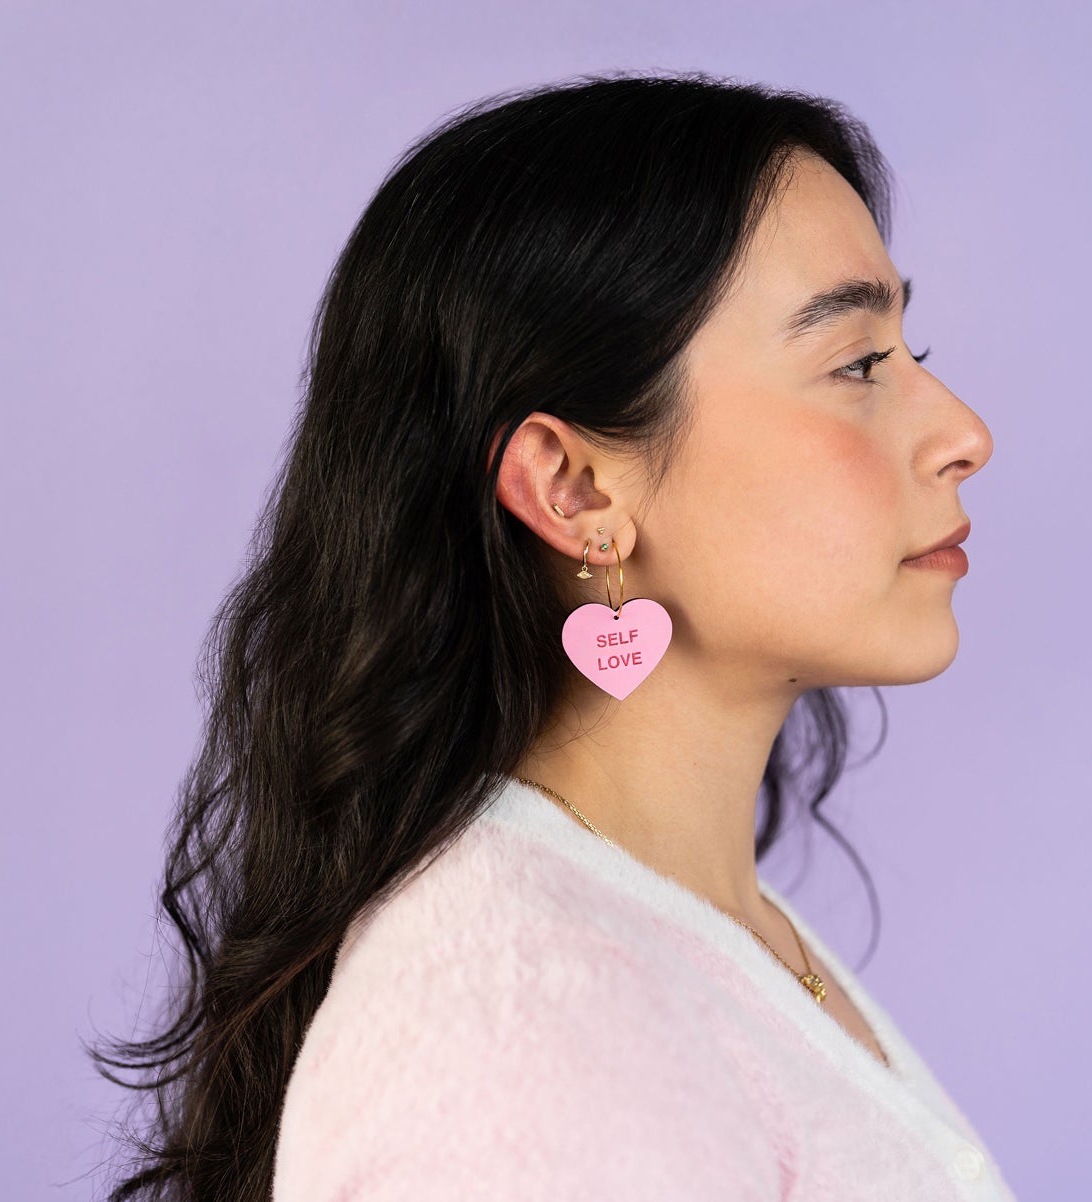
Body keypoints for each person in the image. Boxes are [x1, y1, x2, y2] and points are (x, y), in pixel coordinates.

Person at [90, 70, 1003, 1201]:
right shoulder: (511, 1024)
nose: (965, 432)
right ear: (572, 488)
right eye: (857, 363)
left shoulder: (687, 933)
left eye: (912, 352)